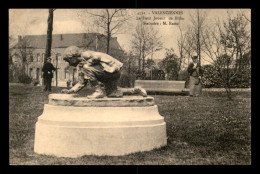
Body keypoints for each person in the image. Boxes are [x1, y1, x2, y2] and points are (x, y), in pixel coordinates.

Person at [61, 46, 147, 98]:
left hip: (111, 70)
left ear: (73, 57)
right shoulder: (81, 66)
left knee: (86, 67)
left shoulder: (85, 55)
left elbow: (97, 57)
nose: (69, 64)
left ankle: (99, 91)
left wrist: (87, 64)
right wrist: (71, 91)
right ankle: (135, 90)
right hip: (108, 74)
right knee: (112, 93)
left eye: (69, 61)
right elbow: (81, 83)